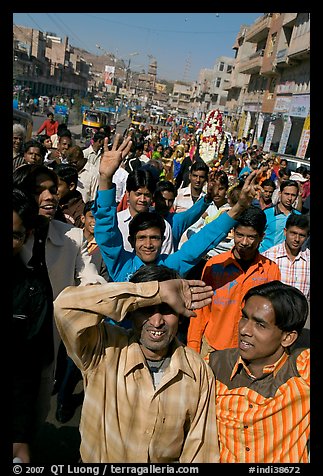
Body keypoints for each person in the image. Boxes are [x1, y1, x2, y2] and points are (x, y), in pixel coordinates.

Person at [54, 264, 219, 463]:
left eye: (167, 310)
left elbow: (200, 450)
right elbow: (65, 307)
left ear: (180, 315)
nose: (157, 321)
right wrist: (155, 292)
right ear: (132, 310)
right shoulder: (103, 349)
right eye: (146, 309)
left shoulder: (197, 371)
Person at [93, 134, 261, 283]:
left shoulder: (169, 267)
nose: (149, 244)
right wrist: (105, 178)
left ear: (163, 240)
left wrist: (239, 207)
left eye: (155, 238)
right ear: (131, 241)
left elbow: (203, 239)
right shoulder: (122, 265)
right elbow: (107, 232)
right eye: (142, 238)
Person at [14, 164, 107, 425]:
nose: (49, 197)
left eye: (53, 190)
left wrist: (92, 293)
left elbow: (88, 277)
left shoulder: (73, 238)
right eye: (39, 191)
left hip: (44, 350)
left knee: (35, 417)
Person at [208, 281, 310, 463]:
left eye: (260, 325)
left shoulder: (301, 370)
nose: (244, 330)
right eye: (244, 317)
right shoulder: (213, 365)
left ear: (287, 337)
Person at [187, 205, 281, 358]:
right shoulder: (214, 266)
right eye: (239, 235)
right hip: (213, 348)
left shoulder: (271, 271)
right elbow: (200, 311)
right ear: (233, 232)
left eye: (251, 237)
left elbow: (273, 318)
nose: (244, 242)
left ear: (261, 237)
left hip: (252, 352)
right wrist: (193, 348)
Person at [13, 188, 54, 463]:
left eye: (15, 235)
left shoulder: (33, 291)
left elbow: (24, 374)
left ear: (26, 237)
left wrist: (19, 439)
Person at [259, 179, 301, 253]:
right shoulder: (266, 213)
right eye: (287, 194)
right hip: (266, 255)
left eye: (293, 195)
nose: (290, 198)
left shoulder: (298, 216)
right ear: (280, 193)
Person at [81, 200, 111, 282]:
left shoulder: (104, 246)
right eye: (91, 217)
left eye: (99, 218)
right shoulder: (73, 239)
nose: (95, 221)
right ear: (83, 218)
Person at [54, 163, 85, 228]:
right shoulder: (50, 202)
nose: (53, 189)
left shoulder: (80, 211)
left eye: (57, 185)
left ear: (71, 186)